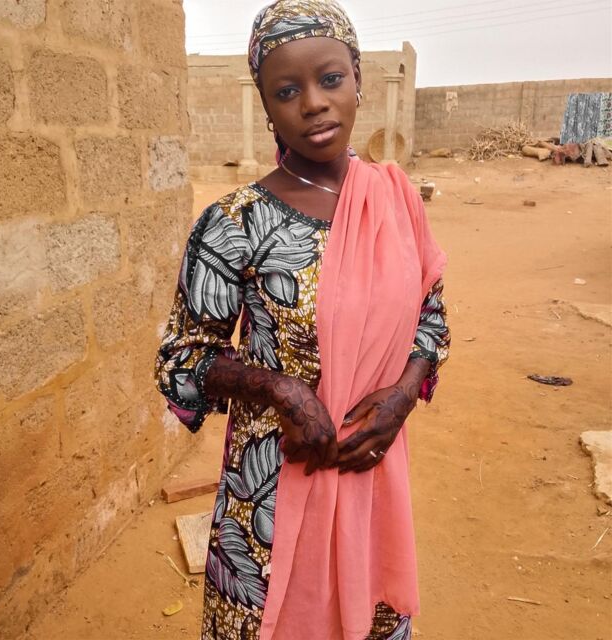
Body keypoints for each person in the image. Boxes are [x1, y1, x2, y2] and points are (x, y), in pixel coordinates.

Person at [155, 2, 450, 638]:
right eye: (287, 91)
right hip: (272, 490)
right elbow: (181, 360)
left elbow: (430, 313)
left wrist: (403, 395)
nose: (314, 104)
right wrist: (280, 389)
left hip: (371, 480)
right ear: (266, 106)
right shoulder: (234, 223)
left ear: (358, 80)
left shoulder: (396, 198)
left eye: (331, 79)